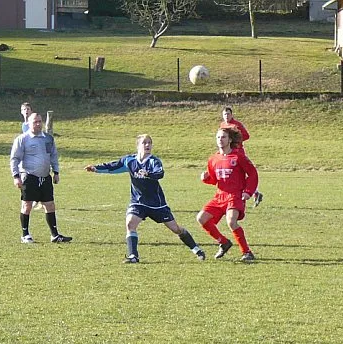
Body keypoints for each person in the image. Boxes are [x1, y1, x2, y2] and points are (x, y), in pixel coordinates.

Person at [84, 134, 205, 263]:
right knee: (130, 224)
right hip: (138, 202)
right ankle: (133, 256)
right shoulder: (129, 161)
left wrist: (148, 174)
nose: (147, 145)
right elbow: (113, 166)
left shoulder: (154, 161)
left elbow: (160, 173)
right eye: (144, 143)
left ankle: (196, 249)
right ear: (138, 146)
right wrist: (96, 168)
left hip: (156, 204)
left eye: (149, 143)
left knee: (176, 229)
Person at [197, 127, 259, 261]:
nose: (220, 139)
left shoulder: (238, 157)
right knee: (201, 218)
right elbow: (214, 179)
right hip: (220, 196)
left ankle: (247, 252)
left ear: (230, 140)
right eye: (218, 137)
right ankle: (224, 242)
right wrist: (205, 178)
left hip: (235, 195)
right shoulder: (213, 159)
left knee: (231, 221)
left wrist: (248, 191)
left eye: (223, 137)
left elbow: (253, 174)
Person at [10, 113, 72, 244]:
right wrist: (16, 176)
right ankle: (25, 235)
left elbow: (53, 155)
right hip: (29, 177)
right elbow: (14, 159)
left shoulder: (48, 138)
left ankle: (55, 235)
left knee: (50, 205)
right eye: (35, 122)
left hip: (45, 177)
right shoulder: (22, 139)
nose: (38, 124)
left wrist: (56, 172)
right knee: (27, 205)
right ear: (29, 124)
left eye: (39, 121)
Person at [220, 106, 264, 207]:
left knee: (241, 175)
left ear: (232, 115)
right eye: (225, 114)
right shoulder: (222, 125)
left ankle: (248, 195)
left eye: (228, 114)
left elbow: (246, 135)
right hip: (228, 153)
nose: (227, 116)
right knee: (233, 175)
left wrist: (236, 141)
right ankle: (255, 193)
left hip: (238, 153)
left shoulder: (237, 125)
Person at [20, 102, 44, 211]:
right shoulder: (24, 124)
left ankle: (35, 199)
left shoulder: (33, 123)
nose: (26, 111)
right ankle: (35, 199)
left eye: (28, 109)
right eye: (24, 109)